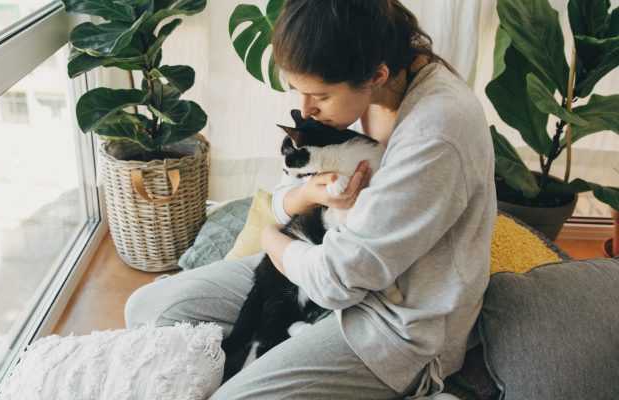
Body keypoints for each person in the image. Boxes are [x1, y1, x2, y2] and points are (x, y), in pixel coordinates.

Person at [124, 0, 495, 398]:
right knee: (148, 308)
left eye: (318, 95)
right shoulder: (366, 94)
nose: (306, 110)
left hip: (396, 323)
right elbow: (287, 186)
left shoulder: (433, 135)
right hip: (319, 260)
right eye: (299, 92)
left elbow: (337, 280)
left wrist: (270, 237)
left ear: (377, 74)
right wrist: (305, 194)